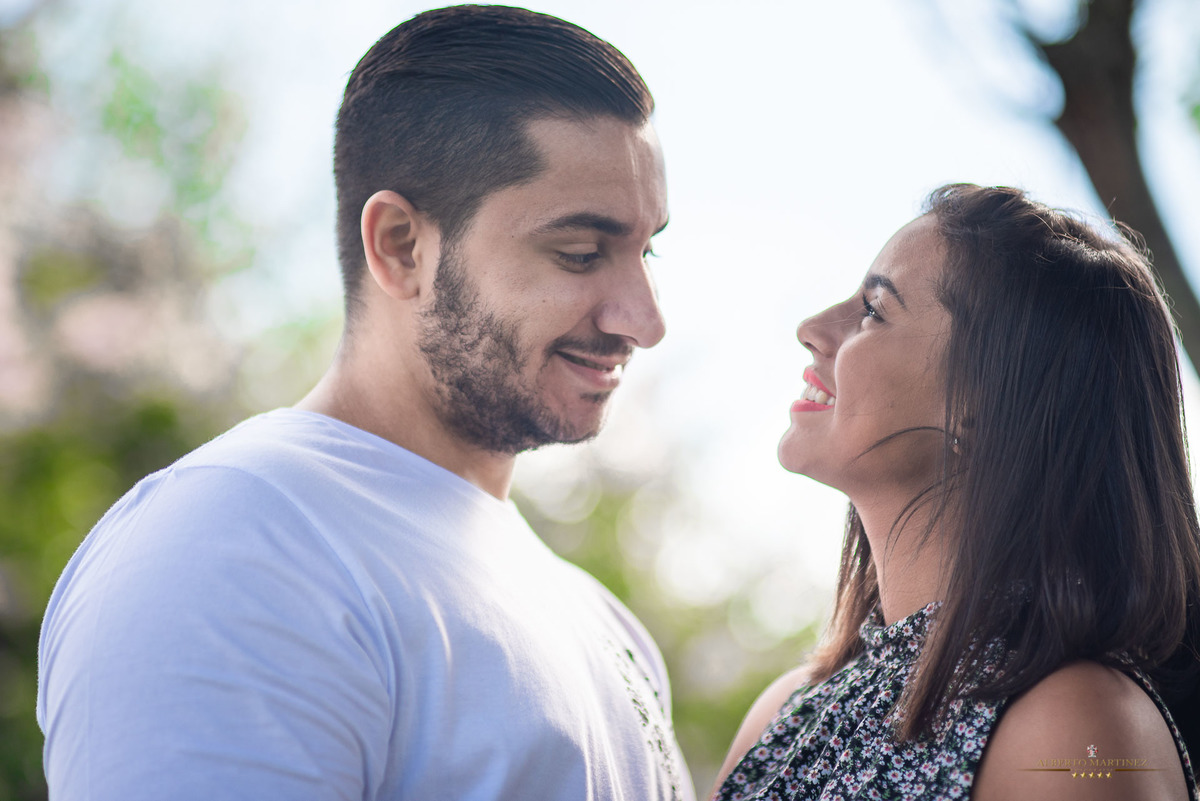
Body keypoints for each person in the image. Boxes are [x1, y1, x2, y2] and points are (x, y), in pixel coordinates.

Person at [37, 6, 695, 800]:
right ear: (400, 246)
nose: (645, 319)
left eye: (645, 248)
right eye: (581, 253)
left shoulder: (606, 624)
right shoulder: (236, 548)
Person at [711, 184, 1200, 801]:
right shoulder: (789, 708)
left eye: (872, 310)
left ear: (984, 404)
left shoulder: (1076, 729)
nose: (811, 329)